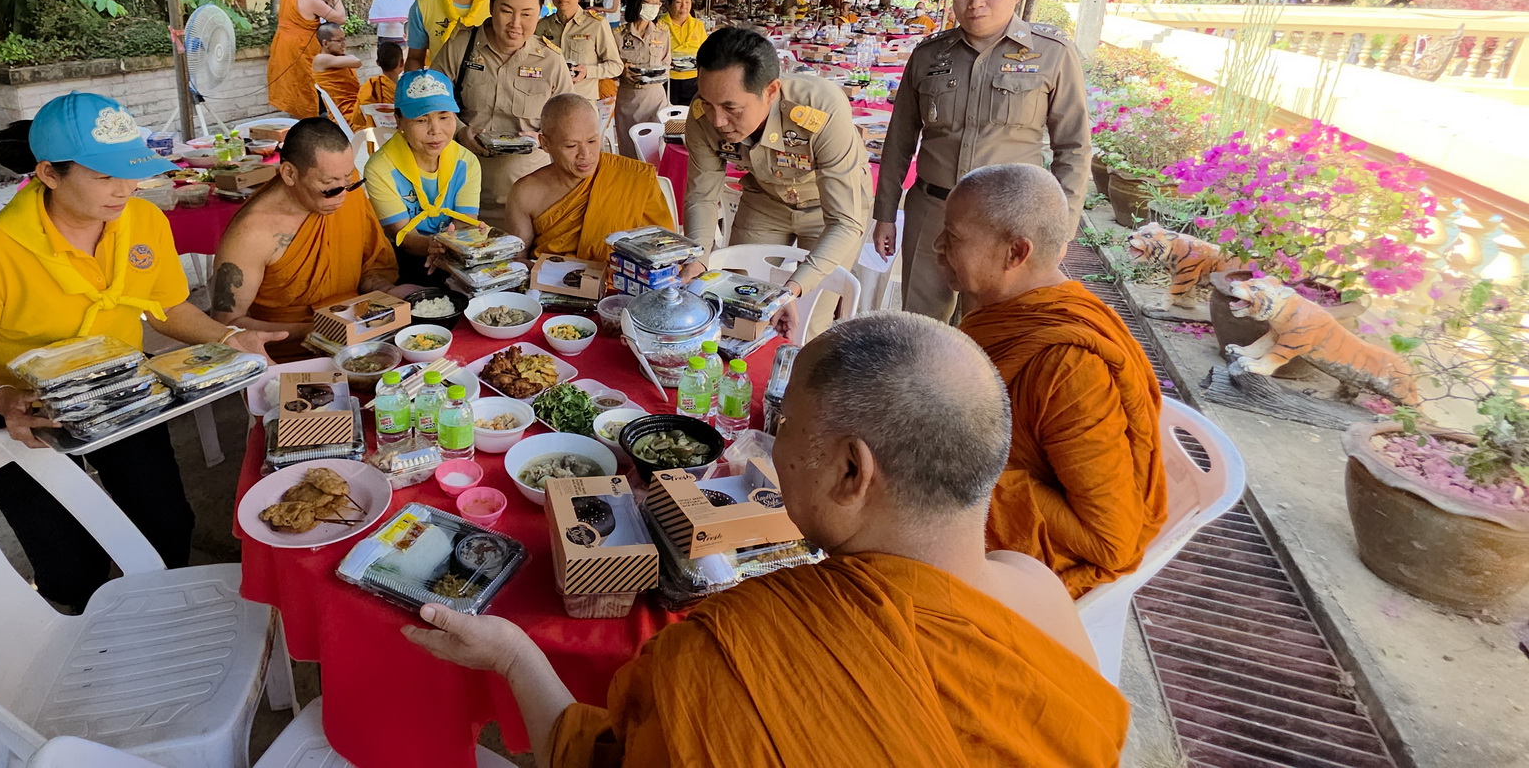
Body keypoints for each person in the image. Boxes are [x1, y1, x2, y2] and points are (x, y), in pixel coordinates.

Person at [404, 312, 1129, 766]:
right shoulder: (1036, 589)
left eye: (785, 430)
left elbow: (596, 758)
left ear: (851, 471)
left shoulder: (726, 651)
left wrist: (511, 652)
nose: (771, 448)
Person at [0, 92, 280, 614]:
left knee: (164, 522)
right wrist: (1, 397)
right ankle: (83, 628)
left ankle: (157, 611)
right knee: (66, 559)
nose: (126, 189)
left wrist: (228, 339)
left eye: (132, 171)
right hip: (24, 409)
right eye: (104, 176)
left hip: (119, 391)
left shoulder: (142, 221)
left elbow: (165, 308)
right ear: (48, 173)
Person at [939, 164, 1166, 596]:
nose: (937, 248)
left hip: (1031, 568)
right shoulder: (1009, 311)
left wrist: (957, 470)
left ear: (1015, 253)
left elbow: (1109, 541)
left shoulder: (1072, 369)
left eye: (953, 238)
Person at [873, 0, 1092, 323]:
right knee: (922, 326)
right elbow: (899, 141)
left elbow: (1073, 148)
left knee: (994, 328)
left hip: (1008, 223)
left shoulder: (1052, 53)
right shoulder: (928, 55)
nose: (976, 2)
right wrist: (886, 213)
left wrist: (1061, 230)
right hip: (932, 213)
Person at [680, 28, 870, 336]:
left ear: (770, 91)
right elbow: (701, 197)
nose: (717, 121)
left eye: (731, 108)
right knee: (738, 309)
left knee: (806, 321)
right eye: (708, 103)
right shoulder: (704, 115)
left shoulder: (821, 109)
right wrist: (698, 257)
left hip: (828, 208)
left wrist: (793, 288)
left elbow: (845, 222)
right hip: (766, 198)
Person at [210, 117, 399, 357]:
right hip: (285, 352)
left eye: (348, 179)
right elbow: (226, 325)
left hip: (359, 335)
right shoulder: (251, 233)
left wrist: (388, 291)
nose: (341, 194)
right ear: (289, 173)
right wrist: (313, 330)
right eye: (329, 184)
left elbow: (371, 265)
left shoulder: (346, 192)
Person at [427, 0, 574, 229]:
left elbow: (570, 126)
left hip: (531, 201)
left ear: (540, 13)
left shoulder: (551, 61)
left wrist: (543, 140)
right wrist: (460, 132)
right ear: (492, 5)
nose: (516, 25)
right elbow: (430, 101)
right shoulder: (461, 48)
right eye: (506, 11)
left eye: (527, 15)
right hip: (463, 197)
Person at [508, 94, 673, 262]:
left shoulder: (635, 180)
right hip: (548, 286)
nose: (585, 155)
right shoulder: (526, 193)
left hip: (619, 285)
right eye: (571, 146)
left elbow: (665, 252)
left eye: (592, 141)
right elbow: (516, 261)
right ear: (545, 143)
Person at [362, 69, 482, 283]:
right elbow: (403, 236)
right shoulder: (380, 168)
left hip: (456, 253)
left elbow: (465, 223)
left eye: (444, 117)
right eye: (421, 120)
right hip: (404, 259)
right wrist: (434, 245)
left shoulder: (467, 162)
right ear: (398, 119)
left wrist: (449, 246)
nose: (436, 130)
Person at [268, 0, 347, 118]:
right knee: (306, 82)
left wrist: (323, 1)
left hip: (282, 43)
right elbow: (340, 18)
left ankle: (297, 116)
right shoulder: (311, 0)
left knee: (293, 83)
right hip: (300, 46)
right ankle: (309, 118)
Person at [542, 0, 623, 103]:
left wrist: (588, 72)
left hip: (582, 104)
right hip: (547, 102)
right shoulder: (540, 27)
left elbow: (616, 66)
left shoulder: (596, 25)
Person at [610, 0, 669, 156]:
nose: (654, 7)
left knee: (655, 152)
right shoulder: (618, 35)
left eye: (657, 4)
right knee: (629, 151)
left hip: (655, 100)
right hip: (629, 100)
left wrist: (657, 74)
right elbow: (610, 66)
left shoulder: (662, 34)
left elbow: (666, 65)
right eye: (649, 3)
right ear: (637, 2)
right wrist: (621, 72)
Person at [657, 0, 707, 108]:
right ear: (669, 4)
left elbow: (706, 52)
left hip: (693, 79)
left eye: (687, 2)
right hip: (669, 79)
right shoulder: (659, 25)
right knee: (669, 116)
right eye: (678, 2)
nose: (684, 6)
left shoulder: (698, 25)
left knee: (692, 115)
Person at [311, 20, 364, 122]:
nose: (343, 44)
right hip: (346, 114)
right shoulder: (321, 59)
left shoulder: (337, 58)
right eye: (339, 41)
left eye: (344, 40)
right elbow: (357, 62)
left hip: (356, 106)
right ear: (325, 43)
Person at [355, 39, 405, 121]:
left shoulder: (369, 86)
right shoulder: (405, 89)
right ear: (402, 63)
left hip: (377, 130)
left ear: (377, 63)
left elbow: (360, 118)